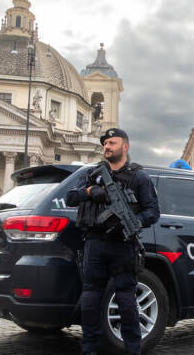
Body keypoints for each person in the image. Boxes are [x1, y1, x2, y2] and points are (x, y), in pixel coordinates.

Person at [65, 128, 159, 355]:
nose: (107, 146)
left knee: (126, 299)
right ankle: (89, 349)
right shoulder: (92, 174)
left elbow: (153, 211)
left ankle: (133, 350)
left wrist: (134, 222)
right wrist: (90, 191)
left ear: (125, 146)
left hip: (123, 244)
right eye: (105, 143)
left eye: (112, 143)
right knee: (90, 298)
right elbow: (70, 197)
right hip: (95, 243)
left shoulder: (139, 177)